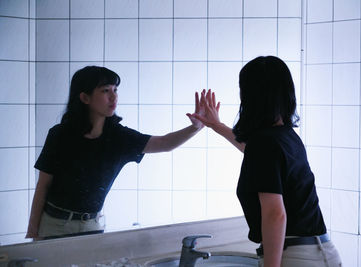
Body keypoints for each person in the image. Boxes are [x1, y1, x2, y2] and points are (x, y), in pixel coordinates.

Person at [26, 66, 206, 240]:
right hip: (54, 225)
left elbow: (165, 143)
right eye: (105, 91)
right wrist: (33, 231)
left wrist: (194, 128)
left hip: (92, 226)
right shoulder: (60, 134)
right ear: (85, 97)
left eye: (115, 90)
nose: (114, 97)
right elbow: (43, 185)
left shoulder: (119, 137)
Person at [194, 56, 342, 267]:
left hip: (297, 256)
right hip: (319, 252)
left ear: (250, 96)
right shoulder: (286, 137)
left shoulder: (265, 144)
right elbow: (255, 154)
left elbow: (275, 214)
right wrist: (218, 126)